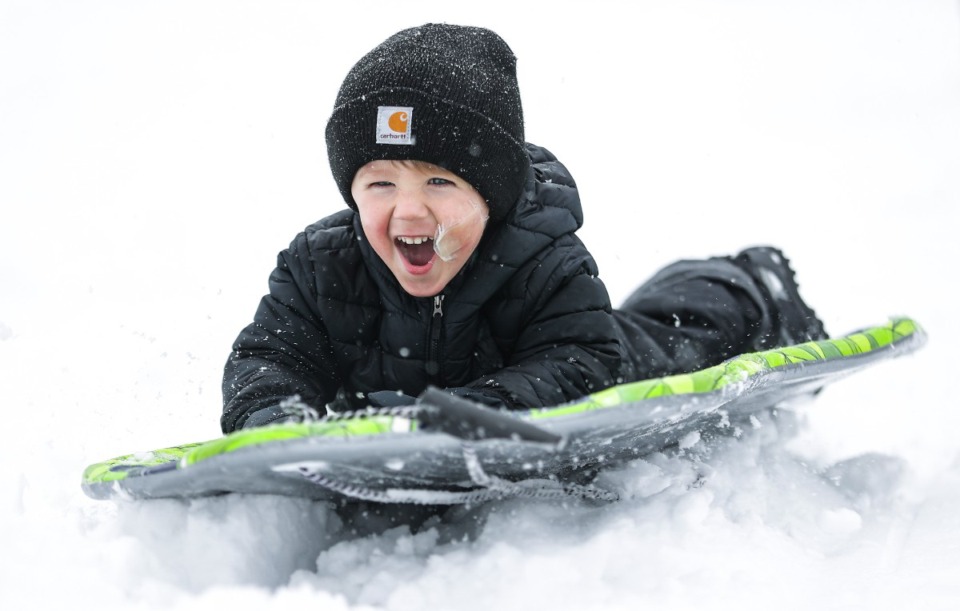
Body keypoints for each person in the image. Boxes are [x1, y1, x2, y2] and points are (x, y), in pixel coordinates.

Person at [220, 23, 826, 434]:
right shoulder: (321, 266)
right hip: (426, 407)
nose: (407, 212)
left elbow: (579, 361)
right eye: (380, 185)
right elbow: (271, 353)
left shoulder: (546, 261)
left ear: (493, 195)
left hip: (630, 358)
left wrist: (477, 410)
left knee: (688, 333)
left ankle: (754, 285)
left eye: (439, 183)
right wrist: (272, 416)